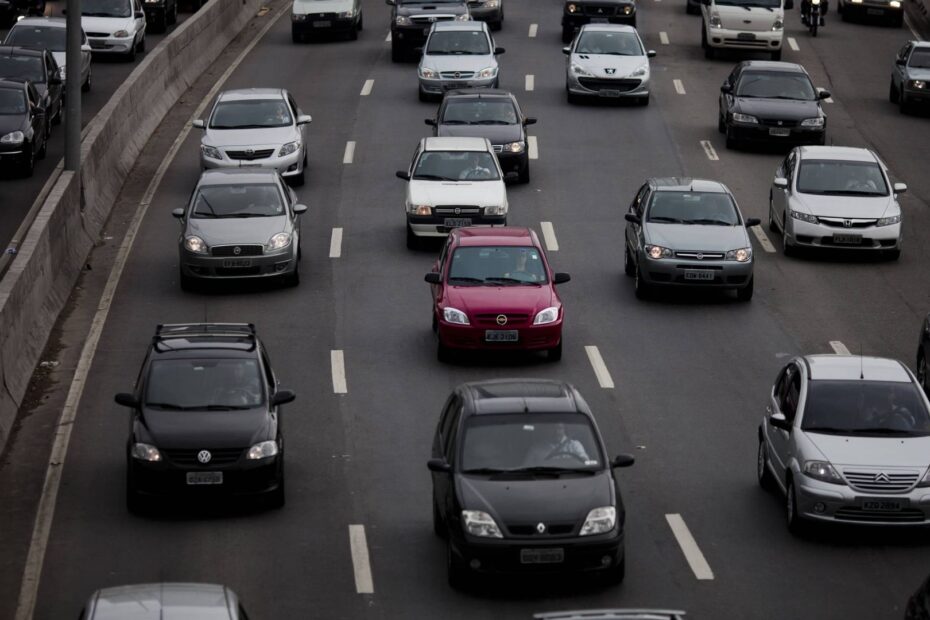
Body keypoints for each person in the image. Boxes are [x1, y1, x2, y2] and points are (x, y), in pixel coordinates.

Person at [526, 423, 590, 465]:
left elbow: (585, 462)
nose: (556, 432)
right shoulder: (536, 449)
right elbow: (527, 468)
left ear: (564, 429)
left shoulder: (575, 445)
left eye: (559, 428)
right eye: (553, 428)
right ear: (547, 430)